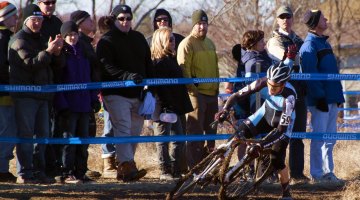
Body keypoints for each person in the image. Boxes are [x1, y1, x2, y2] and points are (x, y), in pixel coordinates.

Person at [216, 61, 296, 200]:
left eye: (275, 87)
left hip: (281, 124)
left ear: (283, 84)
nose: (271, 89)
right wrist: (225, 110)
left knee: (277, 159)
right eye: (269, 84)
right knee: (238, 134)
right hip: (265, 114)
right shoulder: (263, 81)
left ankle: (286, 192)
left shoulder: (290, 98)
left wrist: (261, 145)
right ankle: (217, 166)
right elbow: (237, 95)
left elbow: (281, 131)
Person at [8, 4, 64, 184]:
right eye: (34, 19)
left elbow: (55, 65)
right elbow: (30, 63)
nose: (38, 23)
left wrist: (57, 52)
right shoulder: (19, 39)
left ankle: (39, 172)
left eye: (40, 19)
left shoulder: (41, 38)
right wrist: (48, 51)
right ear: (26, 21)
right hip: (25, 95)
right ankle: (24, 173)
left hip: (43, 95)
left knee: (43, 136)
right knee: (26, 136)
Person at [96, 4, 153, 182]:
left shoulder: (138, 37)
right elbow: (106, 67)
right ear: (114, 20)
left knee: (135, 130)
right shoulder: (106, 40)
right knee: (122, 128)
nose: (125, 21)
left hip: (137, 93)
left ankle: (124, 167)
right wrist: (127, 76)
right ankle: (128, 165)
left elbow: (147, 62)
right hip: (115, 92)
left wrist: (150, 86)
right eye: (121, 18)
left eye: (128, 18)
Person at [299, 9, 345, 183]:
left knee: (330, 139)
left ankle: (328, 173)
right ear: (315, 22)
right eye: (322, 18)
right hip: (321, 101)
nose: (326, 20)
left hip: (332, 98)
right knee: (319, 138)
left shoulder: (325, 44)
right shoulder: (309, 46)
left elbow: (332, 73)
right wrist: (319, 98)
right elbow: (310, 76)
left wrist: (338, 96)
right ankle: (317, 175)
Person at [53, 21, 99, 184]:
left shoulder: (84, 53)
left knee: (83, 140)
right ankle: (67, 172)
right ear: (64, 37)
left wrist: (94, 99)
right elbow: (57, 81)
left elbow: (91, 78)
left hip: (84, 104)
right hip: (68, 106)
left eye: (74, 34)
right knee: (69, 141)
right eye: (69, 35)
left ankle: (81, 172)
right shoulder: (61, 55)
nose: (72, 37)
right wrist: (62, 105)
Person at [266, 5, 309, 183]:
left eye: (288, 17)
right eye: (282, 17)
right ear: (277, 20)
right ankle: (273, 173)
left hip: (299, 92)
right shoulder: (273, 41)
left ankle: (297, 174)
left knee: (298, 135)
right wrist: (294, 57)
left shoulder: (299, 39)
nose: (285, 20)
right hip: (281, 94)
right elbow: (284, 59)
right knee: (277, 135)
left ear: (292, 19)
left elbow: (303, 63)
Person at [177, 10, 219, 169]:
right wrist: (193, 91)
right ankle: (194, 169)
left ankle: (208, 167)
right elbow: (184, 69)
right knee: (195, 133)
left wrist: (215, 89)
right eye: (199, 24)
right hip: (197, 95)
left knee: (211, 133)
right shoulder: (187, 43)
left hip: (212, 94)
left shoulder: (210, 43)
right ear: (193, 25)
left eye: (204, 23)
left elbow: (215, 67)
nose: (202, 27)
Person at [150, 27, 193, 180]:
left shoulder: (171, 60)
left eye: (173, 38)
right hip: (162, 108)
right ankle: (164, 170)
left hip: (175, 107)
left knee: (179, 139)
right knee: (162, 140)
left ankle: (175, 169)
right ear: (161, 41)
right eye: (170, 39)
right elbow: (159, 88)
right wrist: (166, 106)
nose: (173, 42)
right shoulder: (157, 63)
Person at [70, 9, 102, 179]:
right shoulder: (79, 43)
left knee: (87, 133)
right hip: (78, 97)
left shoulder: (86, 42)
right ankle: (74, 170)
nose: (92, 22)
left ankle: (81, 169)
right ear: (80, 24)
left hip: (89, 95)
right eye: (88, 20)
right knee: (78, 134)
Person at [37, 0, 63, 178]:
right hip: (39, 81)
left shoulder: (57, 23)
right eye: (46, 2)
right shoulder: (34, 20)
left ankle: (54, 165)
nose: (50, 5)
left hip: (56, 78)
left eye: (53, 2)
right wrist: (49, 50)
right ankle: (41, 167)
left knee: (56, 126)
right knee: (41, 128)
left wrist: (59, 52)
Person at [0, 1, 17, 183]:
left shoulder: (6, 36)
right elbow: (3, 68)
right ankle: (1, 169)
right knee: (6, 131)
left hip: (6, 93)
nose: (16, 18)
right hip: (4, 95)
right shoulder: (3, 38)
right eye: (13, 15)